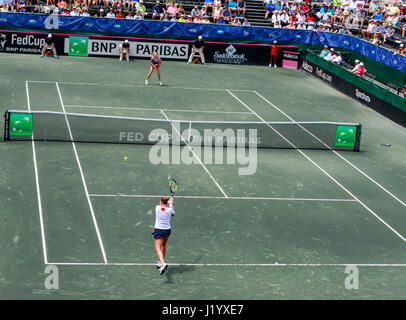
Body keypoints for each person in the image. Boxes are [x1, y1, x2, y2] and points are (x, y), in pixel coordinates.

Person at [153, 196, 175, 275]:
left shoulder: (157, 208)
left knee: (158, 248)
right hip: (167, 230)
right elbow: (173, 214)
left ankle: (163, 264)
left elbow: (162, 208)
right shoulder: (170, 210)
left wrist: (169, 203)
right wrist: (171, 204)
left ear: (161, 202)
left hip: (159, 230)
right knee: (163, 245)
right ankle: (161, 262)